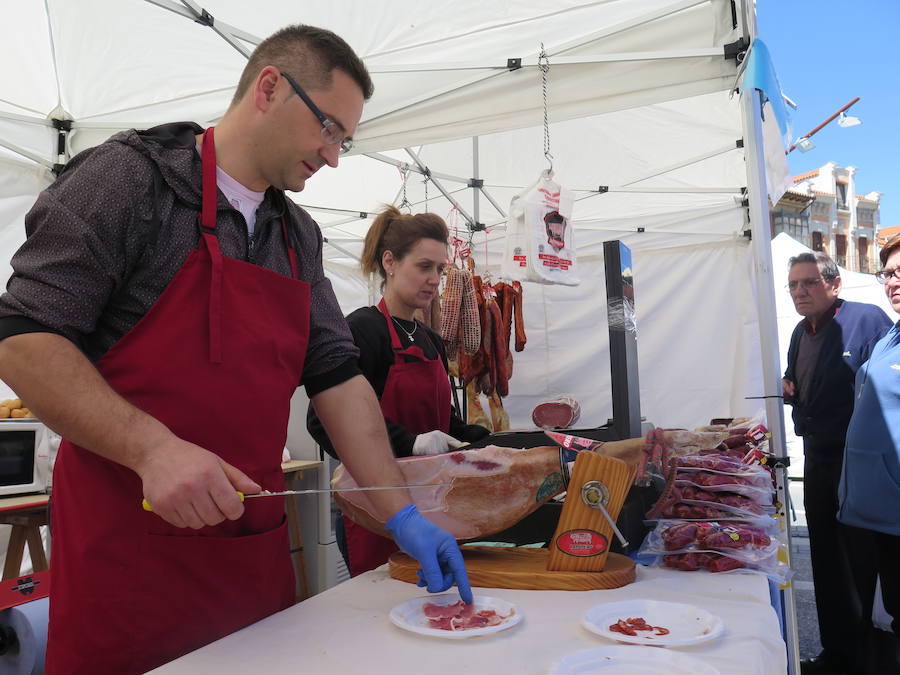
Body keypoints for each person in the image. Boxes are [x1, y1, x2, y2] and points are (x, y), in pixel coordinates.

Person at [0, 25, 471, 675]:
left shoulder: (297, 236)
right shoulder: (129, 182)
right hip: (126, 567)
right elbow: (24, 334)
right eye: (329, 128)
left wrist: (400, 512)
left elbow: (338, 378)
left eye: (346, 139)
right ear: (270, 88)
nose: (334, 156)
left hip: (250, 566)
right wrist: (152, 449)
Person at [307, 205, 491, 576]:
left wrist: (486, 443)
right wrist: (410, 443)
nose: (435, 279)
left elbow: (447, 421)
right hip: (378, 511)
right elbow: (323, 422)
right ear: (390, 262)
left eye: (440, 270)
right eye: (424, 267)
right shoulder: (362, 330)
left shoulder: (430, 341)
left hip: (434, 504)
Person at [782, 251, 892, 675]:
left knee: (860, 564)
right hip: (817, 460)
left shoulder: (867, 320)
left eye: (809, 282)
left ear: (834, 284)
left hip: (859, 466)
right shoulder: (799, 330)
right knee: (826, 560)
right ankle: (836, 655)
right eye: (793, 285)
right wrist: (790, 388)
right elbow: (796, 380)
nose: (800, 291)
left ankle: (865, 660)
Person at [837, 233, 900, 675]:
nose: (893, 282)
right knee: (880, 625)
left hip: (895, 515)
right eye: (889, 273)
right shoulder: (888, 338)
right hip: (865, 512)